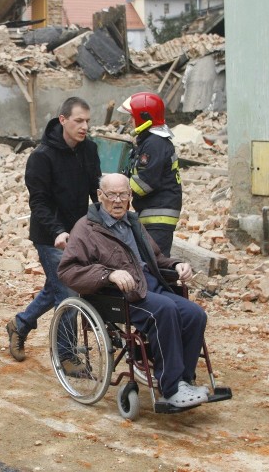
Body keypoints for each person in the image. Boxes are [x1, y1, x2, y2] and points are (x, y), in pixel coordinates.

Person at [58, 173, 209, 409]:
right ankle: (170, 389)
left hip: (150, 284)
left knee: (194, 314)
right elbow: (68, 270)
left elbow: (156, 258)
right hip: (119, 294)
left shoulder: (133, 221)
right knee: (165, 310)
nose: (118, 201)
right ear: (100, 196)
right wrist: (108, 274)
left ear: (130, 195)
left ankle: (182, 380)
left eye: (124, 195)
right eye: (112, 195)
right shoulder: (86, 228)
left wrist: (176, 264)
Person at [5, 97, 101, 369]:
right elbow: (38, 202)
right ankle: (66, 355)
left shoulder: (89, 150)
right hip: (50, 237)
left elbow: (96, 190)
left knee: (55, 287)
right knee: (69, 293)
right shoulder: (41, 157)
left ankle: (19, 324)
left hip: (79, 234)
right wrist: (57, 231)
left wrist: (108, 219)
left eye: (87, 121)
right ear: (63, 120)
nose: (84, 127)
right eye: (78, 121)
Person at [118, 92, 182, 256]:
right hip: (153, 214)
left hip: (158, 216)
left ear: (143, 117)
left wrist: (118, 187)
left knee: (156, 264)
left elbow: (144, 184)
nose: (129, 121)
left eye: (132, 117)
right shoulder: (151, 141)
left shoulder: (154, 143)